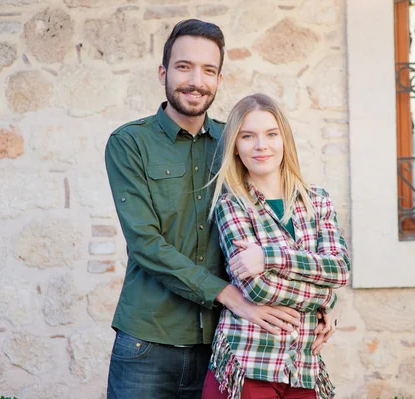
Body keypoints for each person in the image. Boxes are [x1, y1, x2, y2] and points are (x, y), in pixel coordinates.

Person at [104, 20, 322, 399]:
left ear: (219, 79)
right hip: (148, 342)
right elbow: (145, 243)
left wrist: (321, 305)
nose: (196, 80)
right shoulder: (130, 143)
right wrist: (229, 295)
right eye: (184, 66)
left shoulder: (235, 142)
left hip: (226, 345)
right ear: (163, 73)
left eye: (208, 70)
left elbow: (285, 230)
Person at [201, 93, 351, 399]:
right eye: (247, 136)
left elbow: (339, 269)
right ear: (236, 147)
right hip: (247, 363)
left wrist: (268, 256)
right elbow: (257, 289)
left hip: (303, 367)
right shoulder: (233, 205)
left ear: (285, 140)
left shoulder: (317, 200)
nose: (261, 145)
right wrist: (324, 299)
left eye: (271, 134)